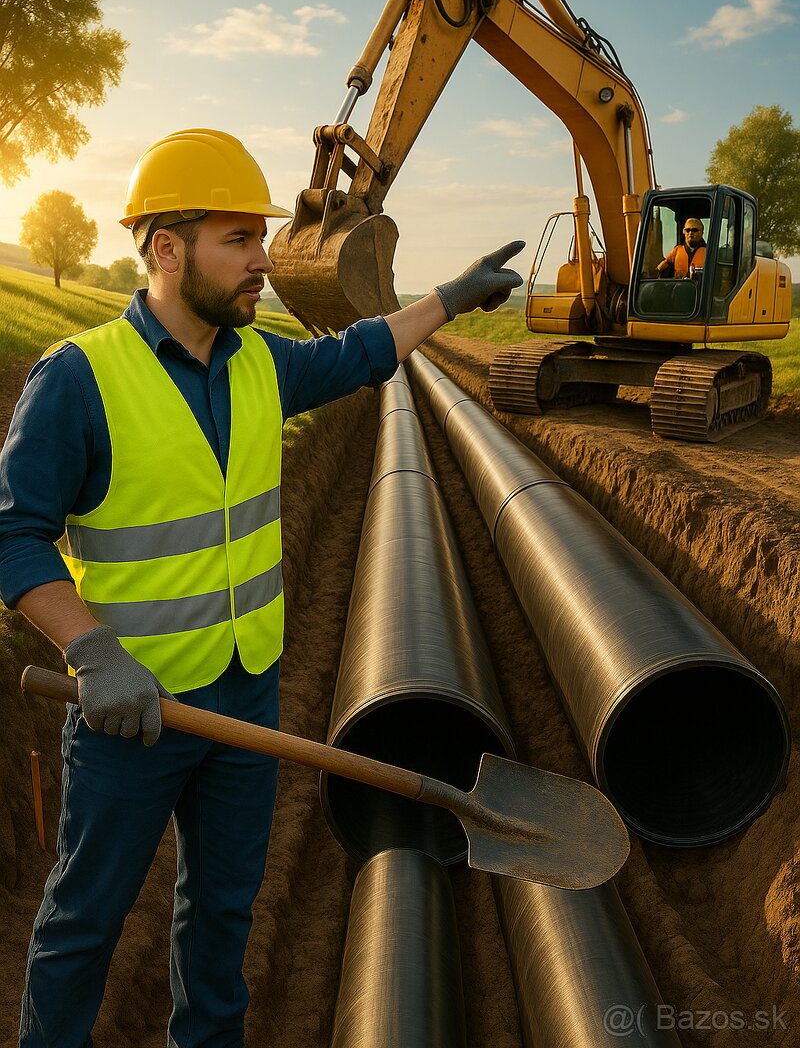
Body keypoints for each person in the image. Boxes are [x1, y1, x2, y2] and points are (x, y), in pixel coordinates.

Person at [0, 127, 524, 1048]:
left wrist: (447, 298)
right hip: (134, 711)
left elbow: (361, 354)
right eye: (239, 240)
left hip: (245, 696)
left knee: (224, 913)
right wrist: (91, 650)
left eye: (262, 239)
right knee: (85, 922)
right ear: (166, 249)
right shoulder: (81, 381)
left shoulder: (259, 364)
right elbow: (14, 534)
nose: (263, 263)